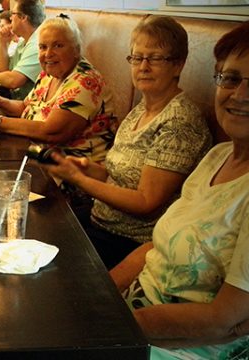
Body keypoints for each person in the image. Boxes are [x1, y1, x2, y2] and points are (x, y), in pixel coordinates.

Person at [108, 17, 249, 359]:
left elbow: (227, 320)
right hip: (140, 320)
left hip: (200, 349)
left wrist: (108, 326)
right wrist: (99, 295)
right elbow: (155, 248)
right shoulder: (220, 155)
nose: (240, 94)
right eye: (230, 78)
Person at [44, 16, 212, 269]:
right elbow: (118, 175)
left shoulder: (179, 122)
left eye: (155, 58)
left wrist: (80, 180)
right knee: (33, 231)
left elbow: (146, 202)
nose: (143, 66)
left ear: (178, 65)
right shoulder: (142, 108)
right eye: (137, 57)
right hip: (100, 220)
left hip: (131, 242)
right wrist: (85, 167)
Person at [0, 16, 117, 164]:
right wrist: (0, 101)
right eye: (43, 47)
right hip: (38, 157)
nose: (48, 54)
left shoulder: (85, 82)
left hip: (72, 173)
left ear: (76, 50)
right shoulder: (49, 74)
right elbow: (26, 107)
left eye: (58, 46)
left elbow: (51, 132)